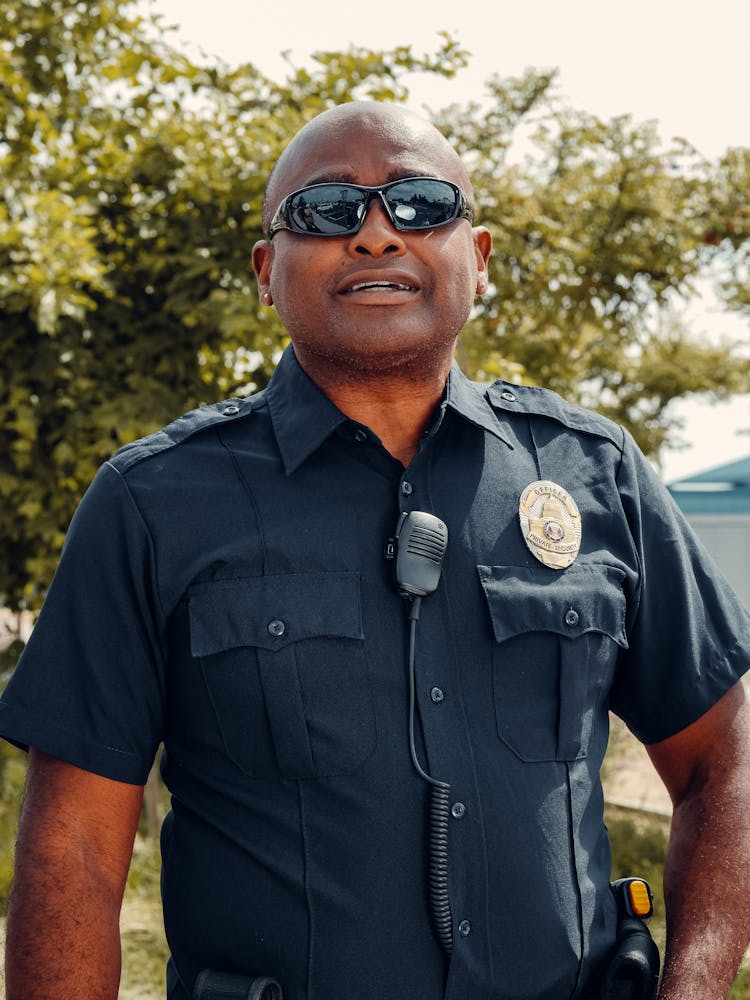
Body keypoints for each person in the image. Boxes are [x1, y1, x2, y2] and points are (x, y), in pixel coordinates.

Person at [2, 101, 750, 1000]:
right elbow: (75, 851)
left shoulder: (596, 475)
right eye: (326, 211)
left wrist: (697, 988)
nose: (375, 234)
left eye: (422, 204)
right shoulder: (151, 503)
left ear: (477, 262)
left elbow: (725, 758)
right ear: (267, 273)